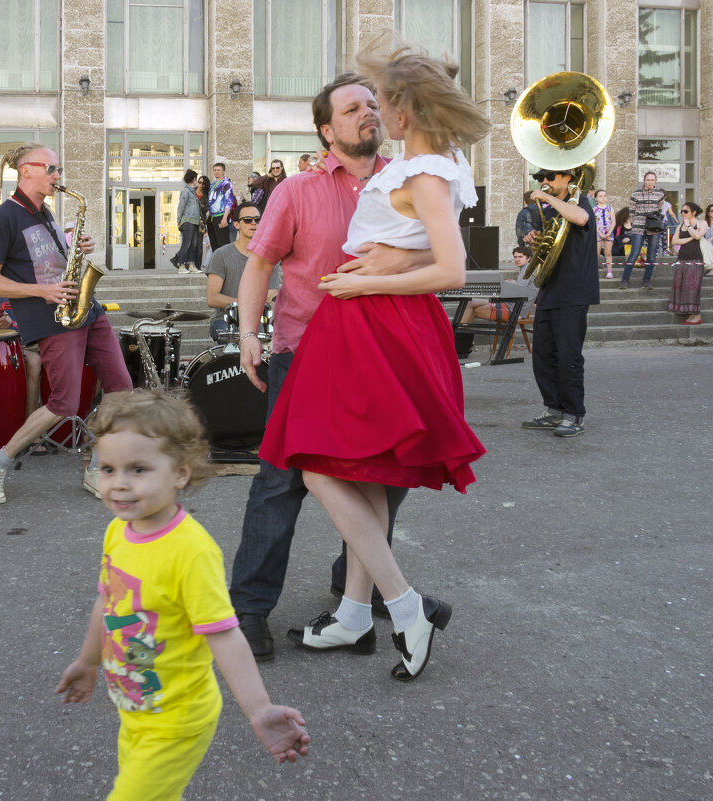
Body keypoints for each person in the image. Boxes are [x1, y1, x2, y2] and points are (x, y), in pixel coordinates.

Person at [258, 42, 488, 682]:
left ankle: (405, 607)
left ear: (406, 110)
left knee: (316, 468)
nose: (375, 111)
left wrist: (367, 283)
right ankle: (354, 613)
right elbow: (423, 251)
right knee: (360, 471)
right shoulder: (424, 166)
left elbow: (453, 267)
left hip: (374, 321)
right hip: (368, 320)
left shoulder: (423, 172)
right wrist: (390, 268)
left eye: (381, 100)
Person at [229, 72, 443, 662]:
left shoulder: (409, 178)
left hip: (383, 358)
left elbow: (446, 252)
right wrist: (250, 335)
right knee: (280, 482)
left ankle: (361, 593)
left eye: (373, 104)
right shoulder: (296, 190)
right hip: (302, 352)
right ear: (328, 129)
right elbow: (257, 267)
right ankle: (250, 608)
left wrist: (400, 255)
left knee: (383, 479)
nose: (368, 113)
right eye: (353, 108)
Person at [55, 392, 309, 801]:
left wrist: (259, 709)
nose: (119, 483)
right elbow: (108, 601)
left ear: (180, 473)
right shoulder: (120, 530)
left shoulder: (190, 551)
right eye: (107, 468)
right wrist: (87, 662)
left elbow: (224, 634)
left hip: (176, 719)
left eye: (138, 469)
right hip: (135, 708)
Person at [0, 143, 133, 505]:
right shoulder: (4, 218)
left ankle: (96, 464)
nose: (57, 176)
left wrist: (76, 249)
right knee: (63, 402)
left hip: (84, 308)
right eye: (51, 169)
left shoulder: (44, 212)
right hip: (51, 318)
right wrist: (42, 291)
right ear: (26, 170)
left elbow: (46, 261)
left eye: (57, 170)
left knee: (121, 387)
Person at [521, 165, 599, 438]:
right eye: (540, 178)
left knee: (568, 357)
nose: (543, 181)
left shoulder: (579, 201)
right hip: (550, 291)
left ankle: (574, 414)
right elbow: (551, 247)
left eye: (549, 177)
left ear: (567, 178)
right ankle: (554, 409)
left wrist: (546, 198)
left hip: (574, 290)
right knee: (543, 356)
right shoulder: (552, 210)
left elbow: (579, 218)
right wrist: (535, 240)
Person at [205, 202, 279, 343]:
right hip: (226, 319)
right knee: (227, 336)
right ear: (236, 224)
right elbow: (212, 298)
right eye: (247, 220)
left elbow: (271, 295)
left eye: (258, 220)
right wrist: (245, 304)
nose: (253, 223)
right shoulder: (221, 254)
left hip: (260, 319)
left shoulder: (269, 257)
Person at [0, 295, 44, 421]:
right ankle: (29, 425)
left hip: (40, 343)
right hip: (8, 347)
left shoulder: (38, 283)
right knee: (33, 362)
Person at [460, 245, 534, 324]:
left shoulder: (527, 271)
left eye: (520, 257)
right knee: (470, 303)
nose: (517, 259)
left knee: (472, 310)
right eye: (515, 257)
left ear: (528, 258)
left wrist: (504, 286)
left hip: (515, 310)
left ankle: (459, 333)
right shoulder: (525, 269)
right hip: (510, 304)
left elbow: (519, 291)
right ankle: (462, 334)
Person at [619, 171, 664, 289]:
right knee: (634, 253)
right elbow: (632, 211)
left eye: (652, 180)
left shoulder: (659, 194)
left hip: (654, 228)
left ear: (655, 181)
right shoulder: (636, 194)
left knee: (652, 255)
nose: (650, 182)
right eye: (648, 180)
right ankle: (624, 280)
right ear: (644, 180)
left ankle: (647, 280)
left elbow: (659, 211)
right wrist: (635, 224)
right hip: (638, 227)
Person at [667, 202, 707, 325]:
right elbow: (675, 241)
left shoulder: (702, 223)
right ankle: (690, 314)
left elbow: (698, 236)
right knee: (682, 286)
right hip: (682, 258)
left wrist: (689, 226)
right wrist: (690, 238)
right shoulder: (680, 226)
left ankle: (696, 315)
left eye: (686, 211)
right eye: (682, 211)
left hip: (696, 258)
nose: (683, 213)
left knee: (693, 287)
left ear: (694, 212)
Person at [170, 169, 203, 275]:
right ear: (194, 179)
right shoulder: (186, 191)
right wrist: (178, 221)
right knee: (186, 244)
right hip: (187, 221)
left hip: (195, 222)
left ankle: (191, 265)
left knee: (193, 244)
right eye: (196, 179)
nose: (197, 181)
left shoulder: (192, 191)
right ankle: (181, 265)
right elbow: (181, 207)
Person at [206, 163, 235, 252]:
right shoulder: (212, 184)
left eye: (219, 170)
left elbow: (229, 201)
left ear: (223, 171)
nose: (216, 172)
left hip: (221, 216)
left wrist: (225, 218)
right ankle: (217, 265)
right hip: (211, 218)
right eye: (215, 170)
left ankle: (226, 265)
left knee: (223, 244)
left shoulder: (226, 184)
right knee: (214, 245)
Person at [593, 189, 615, 278]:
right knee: (596, 252)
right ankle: (593, 271)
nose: (603, 198)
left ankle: (609, 271)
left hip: (608, 232)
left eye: (604, 196)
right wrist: (600, 233)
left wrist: (609, 232)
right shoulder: (594, 209)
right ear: (596, 198)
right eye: (600, 196)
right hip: (598, 232)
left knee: (608, 252)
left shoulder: (610, 208)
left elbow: (613, 222)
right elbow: (593, 223)